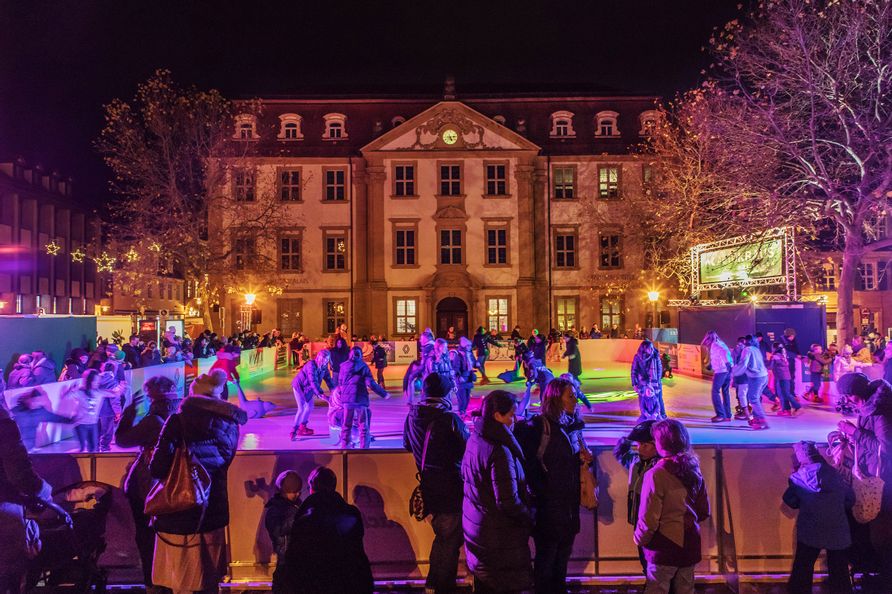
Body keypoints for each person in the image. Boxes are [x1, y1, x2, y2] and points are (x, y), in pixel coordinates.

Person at [149, 372, 248, 594]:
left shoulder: (178, 421)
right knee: (208, 580)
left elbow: (157, 468)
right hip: (212, 510)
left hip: (180, 511)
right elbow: (223, 462)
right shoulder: (230, 423)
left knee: (182, 580)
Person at [516, 378, 590, 594]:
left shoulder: (571, 427)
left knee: (561, 561)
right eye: (570, 396)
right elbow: (529, 465)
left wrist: (583, 460)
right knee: (546, 561)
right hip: (548, 509)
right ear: (556, 399)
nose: (576, 400)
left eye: (575, 395)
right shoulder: (541, 428)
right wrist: (543, 493)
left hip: (567, 507)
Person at [403, 373, 469, 594]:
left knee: (444, 537)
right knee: (448, 540)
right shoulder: (449, 419)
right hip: (449, 486)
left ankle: (435, 585)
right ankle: (439, 586)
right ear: (446, 394)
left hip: (428, 485)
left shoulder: (412, 416)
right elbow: (467, 448)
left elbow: (407, 444)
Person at [461, 390, 533, 594]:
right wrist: (529, 516)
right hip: (497, 536)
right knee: (502, 584)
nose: (515, 420)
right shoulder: (500, 450)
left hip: (478, 529)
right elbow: (508, 500)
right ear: (497, 416)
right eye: (511, 415)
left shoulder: (475, 438)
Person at [115, 375, 181, 594]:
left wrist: (129, 413)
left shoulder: (153, 421)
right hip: (168, 484)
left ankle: (153, 583)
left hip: (146, 486)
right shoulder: (177, 414)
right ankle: (168, 580)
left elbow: (122, 440)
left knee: (146, 537)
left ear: (152, 397)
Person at [634, 419, 710, 594]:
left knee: (657, 589)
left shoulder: (656, 474)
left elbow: (649, 518)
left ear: (660, 443)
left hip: (663, 547)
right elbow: (704, 510)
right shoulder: (694, 470)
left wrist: (639, 538)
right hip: (689, 544)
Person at [272, 466, 373, 594]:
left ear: (312, 487)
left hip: (316, 585)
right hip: (350, 583)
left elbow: (295, 558)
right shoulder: (352, 513)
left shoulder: (305, 518)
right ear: (333, 486)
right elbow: (356, 551)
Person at [836, 373, 892, 586]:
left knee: (881, 533)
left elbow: (886, 448)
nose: (848, 401)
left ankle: (884, 579)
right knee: (871, 529)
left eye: (848, 396)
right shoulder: (870, 406)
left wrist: (855, 433)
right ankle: (875, 574)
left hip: (883, 480)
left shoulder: (880, 412)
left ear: (856, 393)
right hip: (874, 478)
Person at [783, 441, 853, 594]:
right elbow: (850, 500)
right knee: (839, 570)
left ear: (800, 458)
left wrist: (808, 502)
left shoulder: (797, 477)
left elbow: (790, 500)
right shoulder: (836, 474)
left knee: (803, 567)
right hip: (837, 528)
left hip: (810, 528)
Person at [0, 392, 53, 594]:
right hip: (4, 507)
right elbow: (19, 473)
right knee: (7, 576)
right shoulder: (3, 423)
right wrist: (43, 491)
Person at [613, 420, 660, 578]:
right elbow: (621, 454)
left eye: (645, 445)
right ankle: (649, 582)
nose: (639, 448)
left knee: (657, 565)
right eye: (638, 444)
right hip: (640, 523)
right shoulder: (637, 462)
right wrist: (628, 439)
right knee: (645, 561)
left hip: (655, 527)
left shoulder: (661, 467)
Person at [337, 346, 388, 449]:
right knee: (363, 426)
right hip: (360, 399)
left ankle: (345, 448)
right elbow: (370, 383)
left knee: (346, 425)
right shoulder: (363, 366)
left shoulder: (343, 366)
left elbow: (340, 383)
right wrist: (383, 393)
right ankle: (364, 449)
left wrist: (343, 395)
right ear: (360, 355)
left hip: (347, 400)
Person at [71, 369, 119, 453]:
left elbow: (114, 394)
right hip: (82, 423)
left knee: (92, 448)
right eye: (95, 381)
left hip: (93, 423)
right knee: (83, 448)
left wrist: (121, 388)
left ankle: (95, 454)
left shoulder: (98, 392)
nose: (97, 383)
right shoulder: (80, 392)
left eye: (98, 381)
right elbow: (67, 397)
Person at [290, 350, 334, 440]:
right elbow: (313, 381)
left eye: (327, 359)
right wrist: (322, 395)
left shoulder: (324, 368)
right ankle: (294, 430)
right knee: (301, 408)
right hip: (299, 386)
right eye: (324, 358)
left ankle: (302, 427)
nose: (325, 361)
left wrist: (335, 392)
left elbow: (329, 380)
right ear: (319, 357)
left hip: (308, 388)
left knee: (309, 407)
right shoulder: (311, 365)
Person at [731, 335, 770, 430]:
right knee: (755, 399)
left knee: (753, 399)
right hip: (763, 376)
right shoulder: (756, 349)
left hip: (756, 377)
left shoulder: (747, 350)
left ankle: (763, 421)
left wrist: (733, 372)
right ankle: (757, 419)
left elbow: (743, 364)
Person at [264, 470, 303, 560]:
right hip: (285, 555)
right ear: (284, 491)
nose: (297, 494)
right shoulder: (274, 509)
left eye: (299, 491)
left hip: (297, 553)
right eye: (294, 492)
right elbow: (276, 530)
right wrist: (297, 519)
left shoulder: (297, 505)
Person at [701, 331, 732, 423]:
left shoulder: (715, 345)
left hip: (721, 371)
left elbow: (724, 352)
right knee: (725, 392)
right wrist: (712, 365)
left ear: (709, 339)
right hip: (726, 370)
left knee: (715, 392)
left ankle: (720, 415)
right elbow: (720, 356)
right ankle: (727, 415)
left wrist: (727, 364)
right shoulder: (720, 343)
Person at [631, 339, 665, 422]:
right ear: (644, 349)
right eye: (649, 348)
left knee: (658, 399)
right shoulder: (638, 357)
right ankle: (645, 417)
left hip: (655, 382)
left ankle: (660, 416)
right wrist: (634, 384)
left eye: (652, 348)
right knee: (643, 400)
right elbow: (634, 371)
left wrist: (657, 381)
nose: (651, 350)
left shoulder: (655, 356)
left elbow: (659, 369)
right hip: (642, 383)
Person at [769, 343, 800, 417]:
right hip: (784, 377)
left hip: (781, 377)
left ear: (775, 348)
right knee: (783, 394)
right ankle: (786, 410)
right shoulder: (783, 355)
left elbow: (770, 366)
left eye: (772, 347)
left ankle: (796, 405)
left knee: (786, 393)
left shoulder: (775, 356)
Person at [519, 354, 554, 419]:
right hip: (551, 377)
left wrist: (529, 381)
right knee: (547, 395)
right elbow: (541, 373)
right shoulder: (537, 361)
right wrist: (533, 382)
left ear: (526, 360)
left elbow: (535, 375)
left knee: (542, 395)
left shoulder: (531, 364)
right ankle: (549, 408)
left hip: (545, 380)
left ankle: (544, 411)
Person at [451, 337, 477, 416]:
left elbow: (474, 363)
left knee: (467, 398)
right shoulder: (459, 355)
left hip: (468, 379)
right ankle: (461, 412)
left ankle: (464, 411)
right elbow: (455, 367)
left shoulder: (470, 354)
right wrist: (459, 377)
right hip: (461, 380)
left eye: (470, 346)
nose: (470, 347)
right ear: (464, 346)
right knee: (462, 399)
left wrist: (477, 364)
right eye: (468, 346)